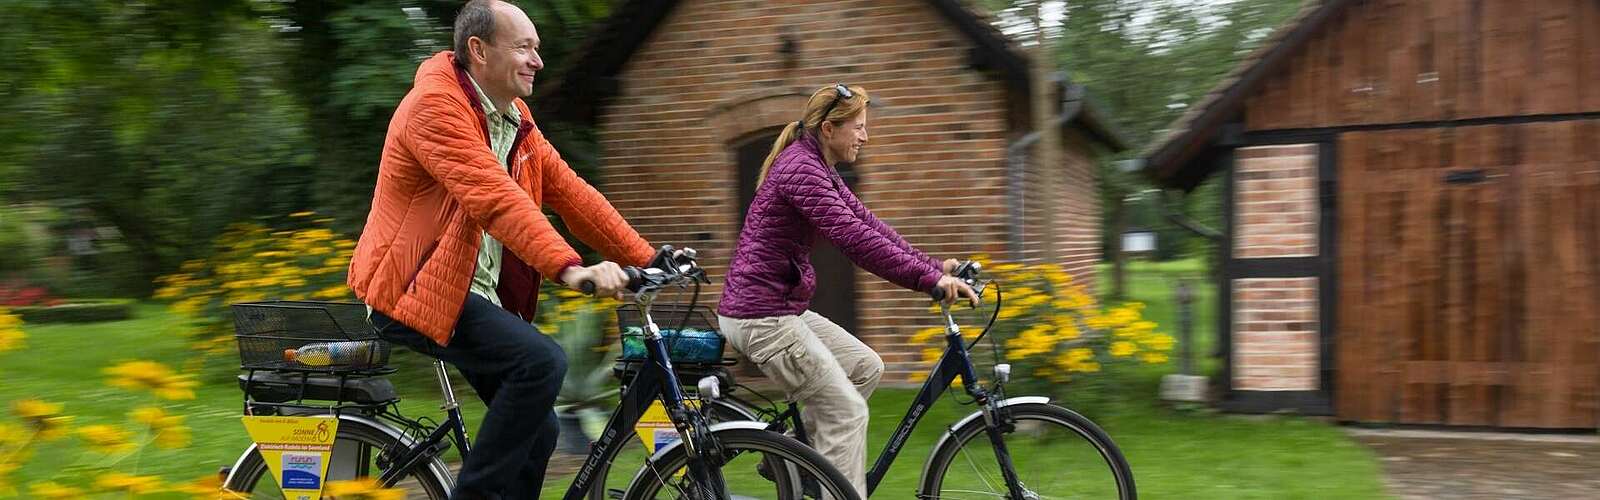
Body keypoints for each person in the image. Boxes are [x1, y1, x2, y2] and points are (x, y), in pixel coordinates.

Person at [345, 1, 655, 497]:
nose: (538, 61)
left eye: (538, 49)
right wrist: (569, 267)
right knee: (542, 363)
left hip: (468, 293)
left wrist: (647, 258)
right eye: (524, 47)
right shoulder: (434, 107)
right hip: (410, 290)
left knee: (540, 434)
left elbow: (572, 194)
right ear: (479, 50)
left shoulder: (513, 118)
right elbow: (495, 196)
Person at [716, 83, 979, 495]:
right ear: (828, 129)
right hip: (760, 316)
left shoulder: (819, 168)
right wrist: (928, 281)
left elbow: (869, 225)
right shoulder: (800, 168)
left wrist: (934, 266)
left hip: (780, 309)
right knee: (846, 412)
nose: (865, 136)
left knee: (864, 367)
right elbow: (855, 240)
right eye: (858, 127)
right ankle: (823, 479)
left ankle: (797, 459)